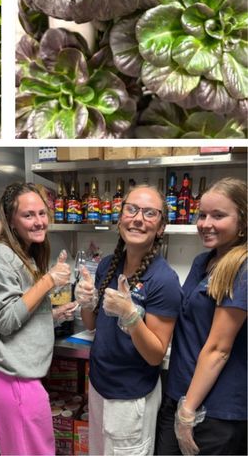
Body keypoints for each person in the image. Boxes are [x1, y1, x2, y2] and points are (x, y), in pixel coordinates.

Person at [0, 182, 76, 455]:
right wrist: (49, 280)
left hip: (11, 379)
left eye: (42, 213)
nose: (39, 221)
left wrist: (52, 315)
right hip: (9, 381)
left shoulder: (23, 253)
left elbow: (19, 310)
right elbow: (5, 320)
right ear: (11, 220)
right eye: (28, 215)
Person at [75, 184, 182, 456]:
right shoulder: (107, 265)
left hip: (130, 397)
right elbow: (91, 324)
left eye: (150, 213)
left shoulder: (164, 280)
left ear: (161, 228)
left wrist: (131, 316)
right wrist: (85, 301)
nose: (138, 219)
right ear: (120, 217)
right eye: (131, 209)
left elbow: (155, 355)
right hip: (99, 386)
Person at [155, 177, 247, 456]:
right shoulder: (203, 261)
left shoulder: (242, 270)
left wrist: (188, 412)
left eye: (218, 215)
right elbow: (186, 317)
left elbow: (219, 349)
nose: (206, 223)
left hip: (215, 410)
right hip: (180, 394)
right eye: (202, 215)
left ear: (243, 221)